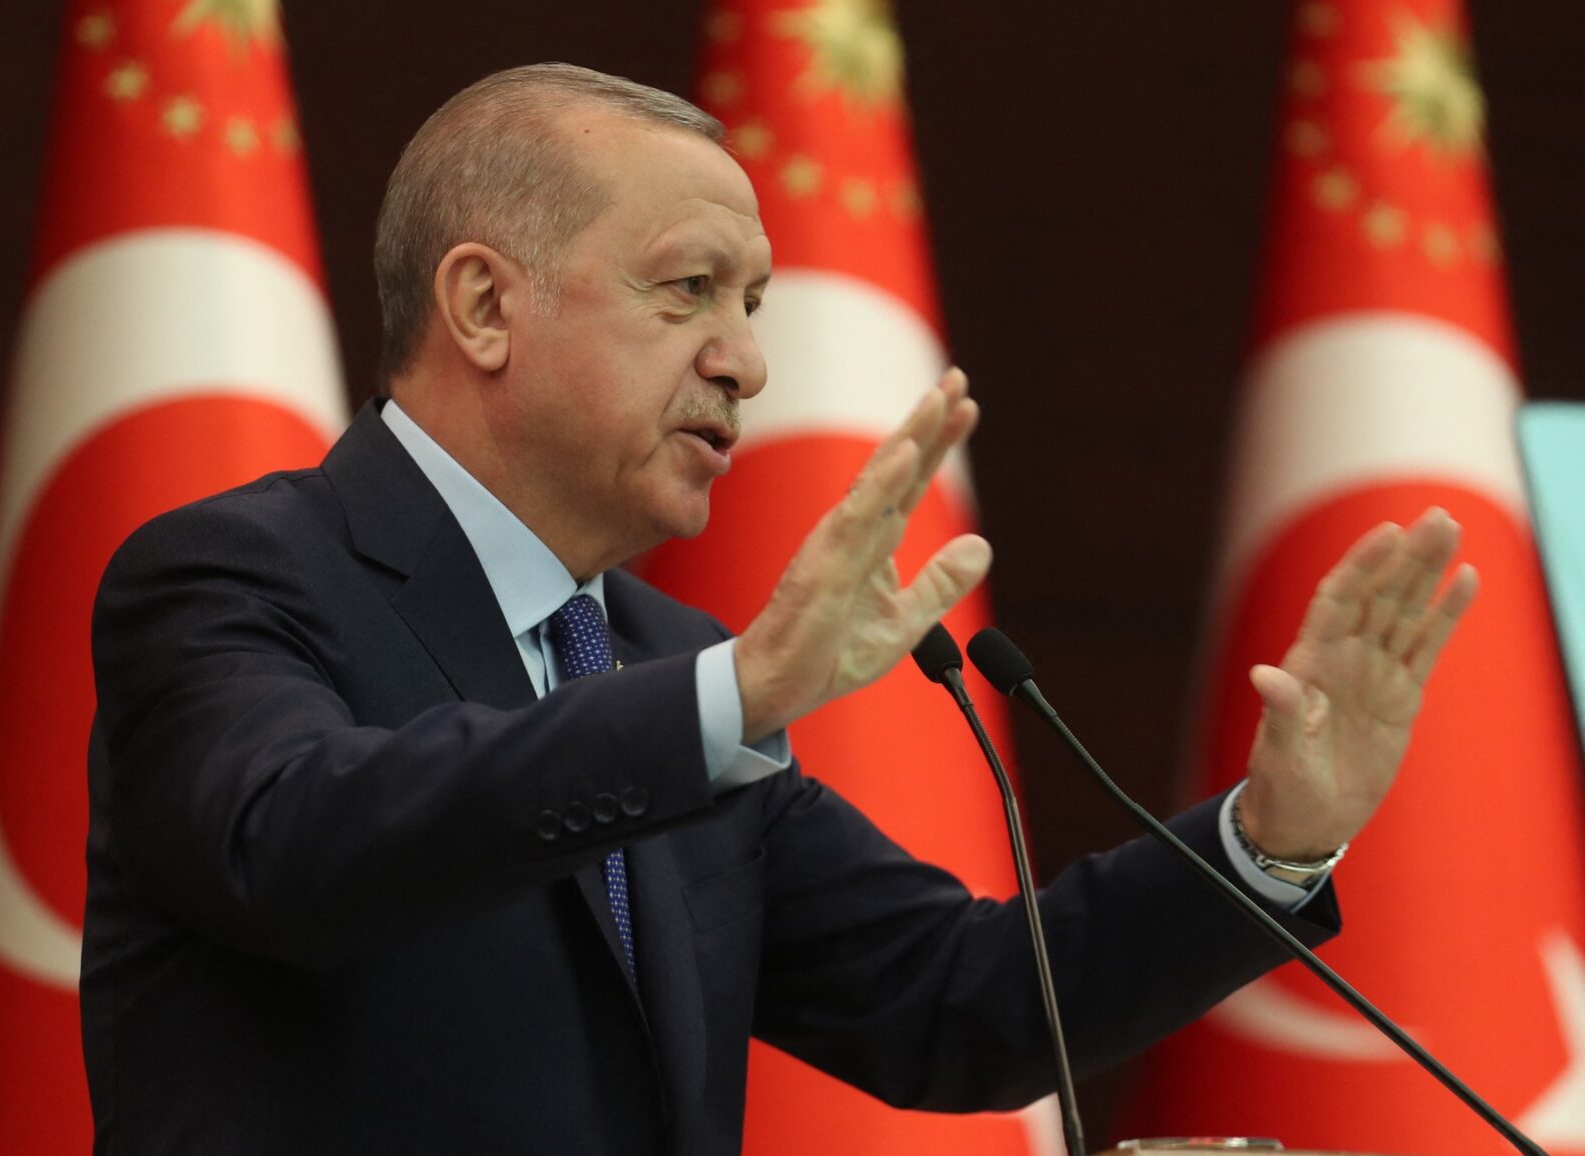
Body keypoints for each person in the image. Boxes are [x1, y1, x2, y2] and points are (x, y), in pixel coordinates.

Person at [81, 64, 1477, 1155]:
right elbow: (295, 844)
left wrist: (1277, 839)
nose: (747, 362)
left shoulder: (663, 669)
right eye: (690, 289)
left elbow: (966, 1004)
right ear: (484, 304)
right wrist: (726, 706)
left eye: (754, 304)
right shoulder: (233, 576)